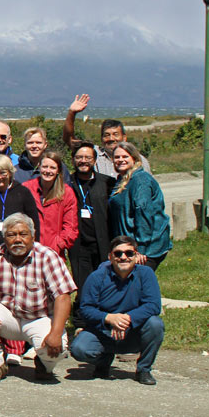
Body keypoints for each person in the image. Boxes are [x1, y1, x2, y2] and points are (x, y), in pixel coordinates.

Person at [0, 213, 77, 383]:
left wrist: (56, 333)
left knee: (59, 346)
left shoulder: (47, 256)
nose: (18, 239)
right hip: (8, 316)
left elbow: (63, 298)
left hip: (39, 318)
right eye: (12, 235)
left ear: (33, 236)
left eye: (23, 234)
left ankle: (45, 364)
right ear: (4, 237)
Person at [71, 237, 165, 385]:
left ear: (136, 255)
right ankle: (103, 361)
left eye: (129, 253)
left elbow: (153, 305)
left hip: (133, 331)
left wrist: (127, 319)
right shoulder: (96, 277)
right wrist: (109, 318)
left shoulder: (146, 274)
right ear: (110, 256)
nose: (123, 257)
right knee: (79, 349)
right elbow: (85, 309)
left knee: (155, 324)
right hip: (103, 331)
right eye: (118, 253)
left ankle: (143, 369)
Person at [108, 142, 171, 270]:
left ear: (134, 158)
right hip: (128, 244)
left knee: (137, 284)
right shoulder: (123, 179)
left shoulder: (140, 180)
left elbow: (143, 213)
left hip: (145, 246)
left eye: (125, 156)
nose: (120, 160)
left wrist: (140, 249)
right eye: (117, 157)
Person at [62, 94, 151, 176]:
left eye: (115, 134)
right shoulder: (93, 154)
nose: (111, 138)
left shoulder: (139, 160)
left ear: (124, 138)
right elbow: (69, 139)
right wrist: (72, 113)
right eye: (106, 135)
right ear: (101, 138)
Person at [69, 142, 117, 293]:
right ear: (73, 160)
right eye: (79, 157)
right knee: (82, 285)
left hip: (102, 243)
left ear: (95, 160)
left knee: (105, 283)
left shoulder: (107, 183)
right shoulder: (67, 183)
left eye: (87, 157)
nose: (83, 161)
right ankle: (83, 312)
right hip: (78, 245)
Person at [22, 150, 77, 256]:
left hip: (54, 252)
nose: (48, 171)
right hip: (28, 251)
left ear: (58, 170)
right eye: (45, 166)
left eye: (52, 168)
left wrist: (59, 244)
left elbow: (71, 226)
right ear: (39, 167)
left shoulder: (67, 193)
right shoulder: (26, 188)